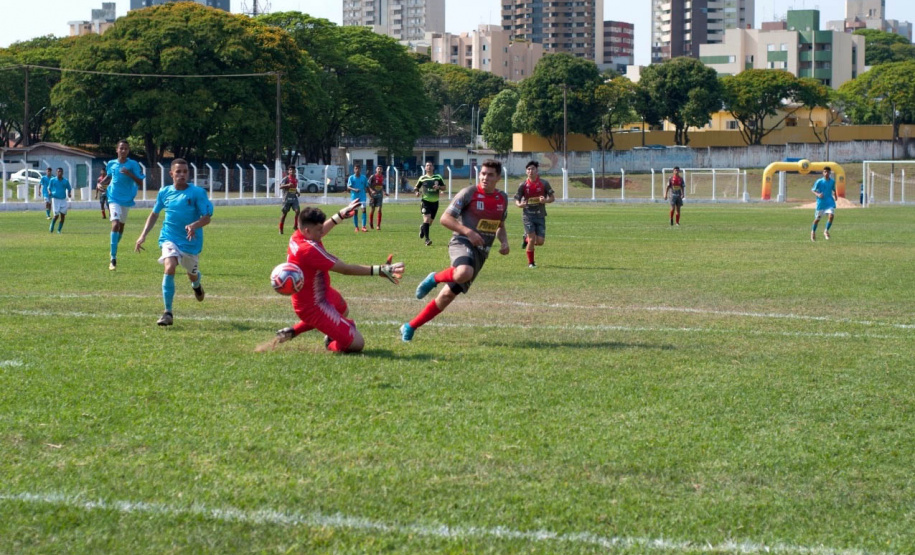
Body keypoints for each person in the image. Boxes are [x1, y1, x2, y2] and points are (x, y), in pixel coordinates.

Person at [269, 200, 404, 353]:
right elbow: (345, 269)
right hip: (313, 306)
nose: (322, 233)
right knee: (358, 344)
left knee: (343, 309)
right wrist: (379, 270)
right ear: (307, 231)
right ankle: (331, 344)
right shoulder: (308, 250)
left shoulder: (297, 236)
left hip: (322, 294)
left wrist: (339, 216)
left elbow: (319, 231)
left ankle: (293, 331)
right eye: (319, 230)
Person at [401, 159, 509, 342]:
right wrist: (468, 232)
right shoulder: (469, 193)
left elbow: (500, 225)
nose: (485, 177)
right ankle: (434, 278)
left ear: (498, 177)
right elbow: (445, 218)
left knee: (446, 296)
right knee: (463, 272)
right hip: (462, 242)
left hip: (481, 253)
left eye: (490, 175)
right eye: (483, 173)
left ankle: (410, 326)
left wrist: (504, 242)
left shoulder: (502, 198)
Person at [134, 158, 213, 327]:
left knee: (192, 274)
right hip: (169, 238)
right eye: (178, 172)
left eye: (185, 172)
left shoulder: (197, 193)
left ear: (188, 174)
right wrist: (143, 235)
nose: (182, 175)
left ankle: (196, 283)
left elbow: (207, 218)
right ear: (171, 174)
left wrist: (194, 225)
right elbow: (154, 214)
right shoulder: (164, 192)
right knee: (169, 267)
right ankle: (167, 312)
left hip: (191, 243)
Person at [101, 140, 146, 270]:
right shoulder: (111, 164)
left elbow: (140, 182)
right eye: (121, 148)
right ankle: (113, 258)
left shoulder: (133, 165)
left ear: (128, 151)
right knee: (115, 224)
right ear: (117, 150)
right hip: (113, 197)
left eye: (126, 148)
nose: (123, 151)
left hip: (126, 199)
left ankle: (113, 246)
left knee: (121, 227)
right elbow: (109, 176)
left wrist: (129, 173)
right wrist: (101, 184)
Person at [514, 160, 555, 269]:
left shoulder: (544, 183)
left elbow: (552, 198)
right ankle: (531, 263)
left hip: (540, 215)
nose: (530, 171)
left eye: (532, 169)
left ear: (537, 170)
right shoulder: (523, 185)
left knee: (540, 242)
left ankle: (525, 239)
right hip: (528, 215)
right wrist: (519, 205)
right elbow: (517, 200)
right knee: (532, 239)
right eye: (528, 169)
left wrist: (544, 201)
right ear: (526, 171)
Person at [414, 161, 446, 246]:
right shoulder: (422, 178)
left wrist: (438, 187)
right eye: (427, 165)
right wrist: (417, 192)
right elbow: (416, 187)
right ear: (425, 168)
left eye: (430, 165)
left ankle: (422, 227)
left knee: (430, 222)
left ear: (433, 167)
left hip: (435, 203)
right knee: (427, 219)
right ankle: (427, 240)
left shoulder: (438, 177)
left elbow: (444, 187)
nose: (429, 167)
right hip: (425, 202)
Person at [811, 166, 837, 242]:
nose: (826, 173)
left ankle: (826, 231)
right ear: (823, 173)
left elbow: (833, 189)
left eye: (828, 172)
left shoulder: (832, 181)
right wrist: (818, 194)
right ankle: (813, 231)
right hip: (821, 203)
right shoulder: (819, 181)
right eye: (825, 171)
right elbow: (813, 190)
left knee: (831, 216)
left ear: (830, 173)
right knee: (817, 220)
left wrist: (835, 195)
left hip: (829, 202)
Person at [47, 168, 72, 234]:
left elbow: (69, 188)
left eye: (61, 172)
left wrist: (69, 193)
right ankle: (52, 224)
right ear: (56, 172)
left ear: (62, 173)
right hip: (55, 199)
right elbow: (49, 188)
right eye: (58, 172)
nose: (59, 173)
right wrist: (49, 192)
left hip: (63, 199)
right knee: (56, 215)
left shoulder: (65, 181)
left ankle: (59, 230)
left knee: (63, 216)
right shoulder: (53, 180)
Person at [346, 163, 369, 232]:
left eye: (358, 168)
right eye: (356, 168)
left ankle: (363, 227)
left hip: (362, 197)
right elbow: (348, 187)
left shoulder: (364, 177)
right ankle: (356, 227)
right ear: (354, 169)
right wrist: (354, 189)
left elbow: (367, 186)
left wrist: (371, 195)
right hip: (354, 198)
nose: (357, 170)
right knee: (355, 212)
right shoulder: (351, 178)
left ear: (360, 169)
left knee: (364, 210)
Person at [278, 166, 300, 235]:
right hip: (286, 199)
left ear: (295, 171)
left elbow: (293, 188)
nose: (292, 171)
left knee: (298, 211)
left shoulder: (296, 180)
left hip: (294, 198)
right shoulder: (286, 179)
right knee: (284, 214)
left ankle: (295, 226)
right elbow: (280, 186)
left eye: (293, 170)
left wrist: (297, 192)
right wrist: (287, 185)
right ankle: (281, 229)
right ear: (288, 171)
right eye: (290, 170)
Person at [367, 165, 388, 230]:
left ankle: (378, 225)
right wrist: (371, 191)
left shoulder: (383, 177)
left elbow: (382, 186)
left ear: (382, 170)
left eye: (380, 169)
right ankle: (371, 223)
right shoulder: (372, 177)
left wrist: (384, 192)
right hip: (373, 196)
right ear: (376, 170)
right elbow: (367, 185)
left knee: (379, 210)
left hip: (379, 196)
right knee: (372, 210)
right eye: (378, 169)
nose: (379, 170)